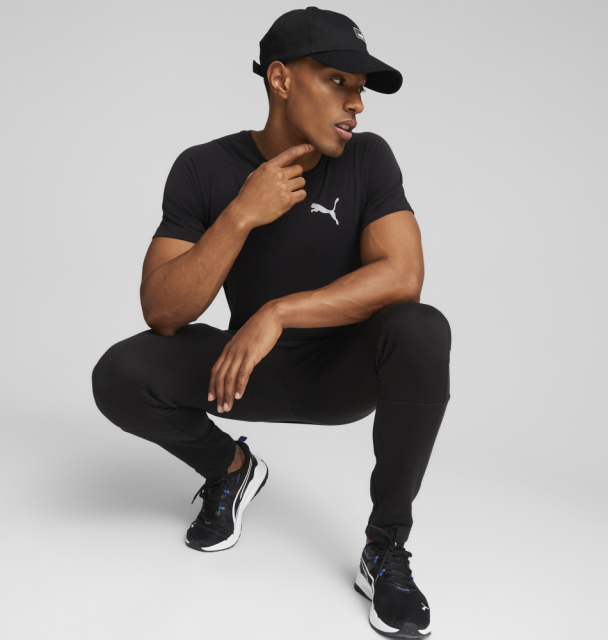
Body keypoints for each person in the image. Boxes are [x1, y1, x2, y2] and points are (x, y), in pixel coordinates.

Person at [92, 7, 451, 638]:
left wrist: (278, 312)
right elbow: (163, 311)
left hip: (340, 376)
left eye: (360, 90)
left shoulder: (369, 159)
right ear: (281, 79)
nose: (356, 104)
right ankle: (231, 470)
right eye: (338, 81)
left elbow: (402, 276)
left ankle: (386, 547)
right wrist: (240, 214)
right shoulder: (204, 168)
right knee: (121, 373)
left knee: (422, 328)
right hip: (244, 374)